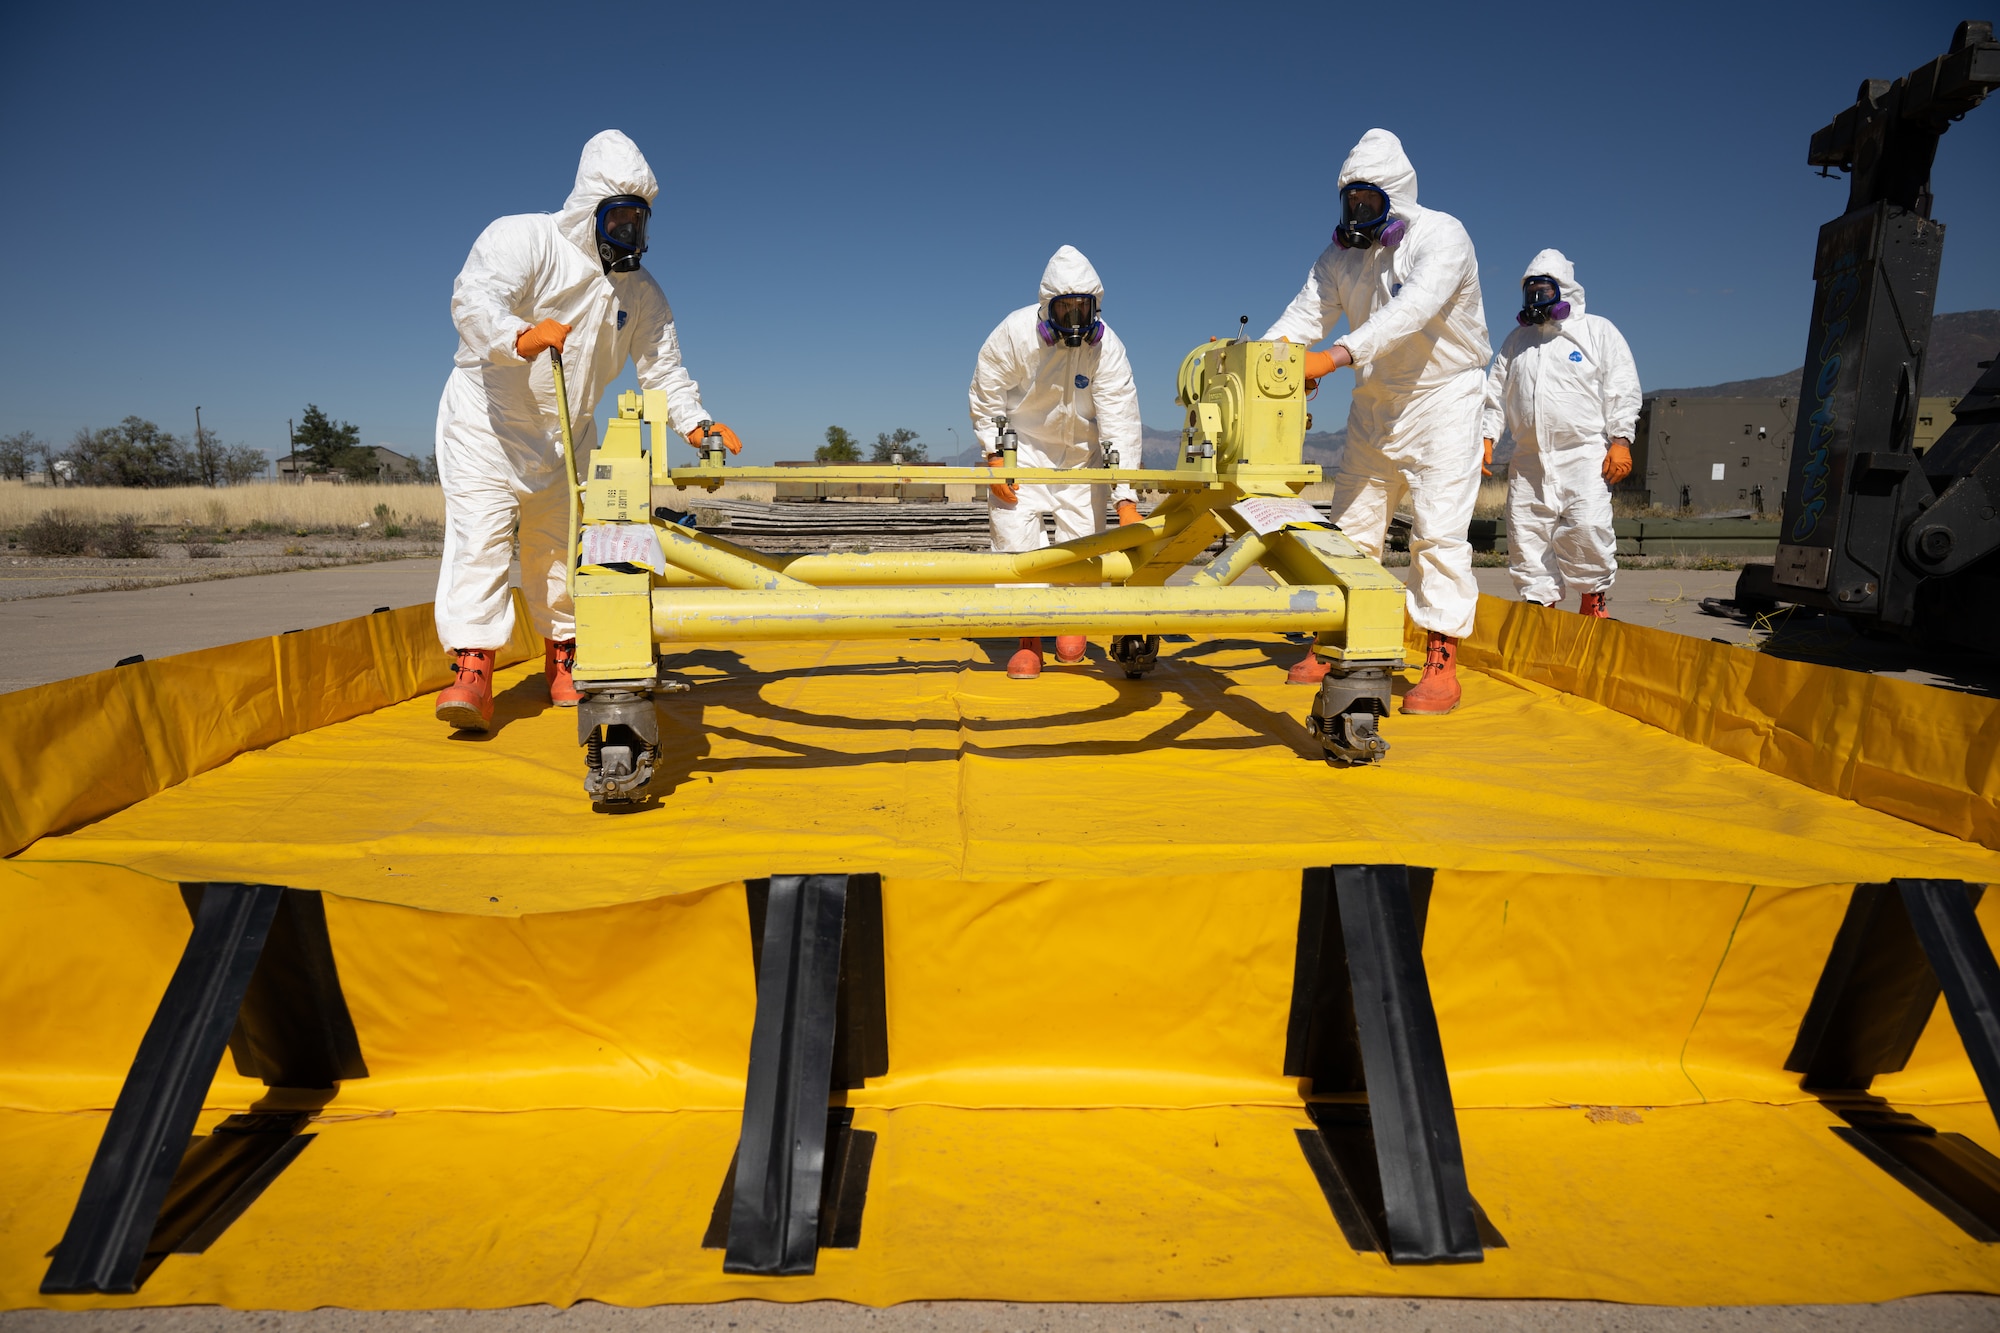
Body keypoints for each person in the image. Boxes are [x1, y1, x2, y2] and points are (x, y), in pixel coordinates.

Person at [431, 130, 741, 732]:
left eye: (638, 221)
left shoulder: (642, 294)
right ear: (588, 211)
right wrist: (515, 338)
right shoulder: (523, 239)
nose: (629, 234)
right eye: (617, 218)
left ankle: (564, 658)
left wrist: (696, 424)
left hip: (565, 437)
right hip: (485, 426)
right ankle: (472, 669)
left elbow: (663, 368)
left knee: (562, 549)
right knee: (481, 541)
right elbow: (474, 298)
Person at [1262, 129, 1489, 714]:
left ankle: (1439, 655)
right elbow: (1301, 316)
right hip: (1374, 401)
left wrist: (1332, 358)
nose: (1358, 215)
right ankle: (1340, 638)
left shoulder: (1442, 236)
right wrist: (1265, 360)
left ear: (1397, 198)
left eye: (1370, 203)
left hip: (1443, 398)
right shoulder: (1339, 257)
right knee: (1350, 527)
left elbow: (1411, 312)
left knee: (1437, 532)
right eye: (1350, 203)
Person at [968, 245, 1144, 680]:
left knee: (1082, 547)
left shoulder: (1108, 349)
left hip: (1082, 458)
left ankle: (1071, 621)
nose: (1073, 322)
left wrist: (1125, 497)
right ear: (1047, 308)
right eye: (1063, 311)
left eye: (1081, 310)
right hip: (1022, 453)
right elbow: (986, 393)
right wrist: (994, 456)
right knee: (1016, 544)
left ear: (1095, 307)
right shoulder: (1013, 332)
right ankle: (1028, 639)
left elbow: (1120, 419)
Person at [1480, 250, 1639, 617]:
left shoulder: (1598, 332)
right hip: (1528, 459)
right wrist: (1486, 437)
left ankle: (1592, 605)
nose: (1536, 301)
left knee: (1588, 528)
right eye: (1530, 293)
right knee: (1526, 537)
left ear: (1564, 292)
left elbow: (1622, 388)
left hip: (1583, 456)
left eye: (1543, 292)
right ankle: (1541, 611)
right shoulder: (1517, 341)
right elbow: (1495, 394)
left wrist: (1620, 440)